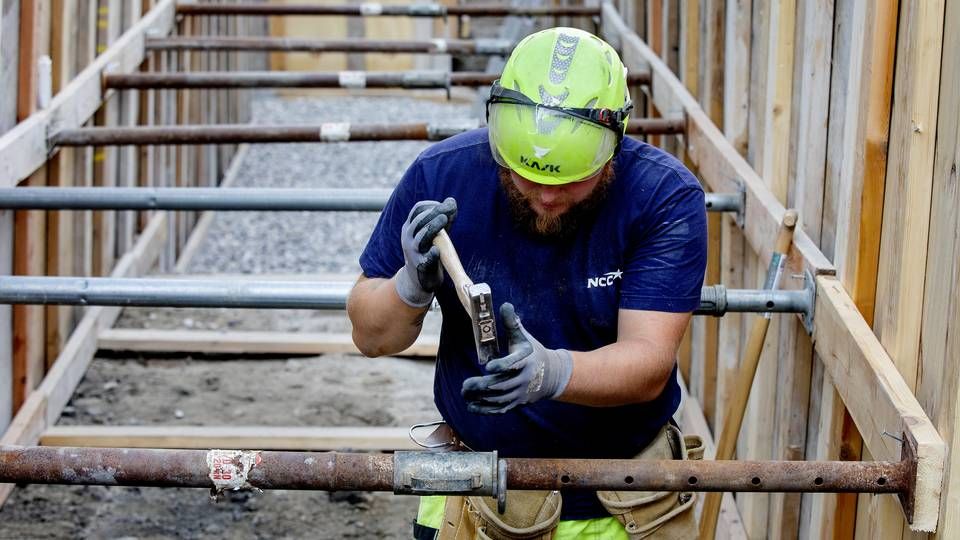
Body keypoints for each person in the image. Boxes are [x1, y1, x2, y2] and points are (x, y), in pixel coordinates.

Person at [348, 27, 707, 540]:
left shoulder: (661, 197)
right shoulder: (442, 177)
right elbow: (371, 337)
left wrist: (550, 373)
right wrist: (409, 285)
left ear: (613, 146)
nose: (545, 195)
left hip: (624, 502)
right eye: (525, 173)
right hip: (475, 495)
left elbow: (648, 361)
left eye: (569, 180)